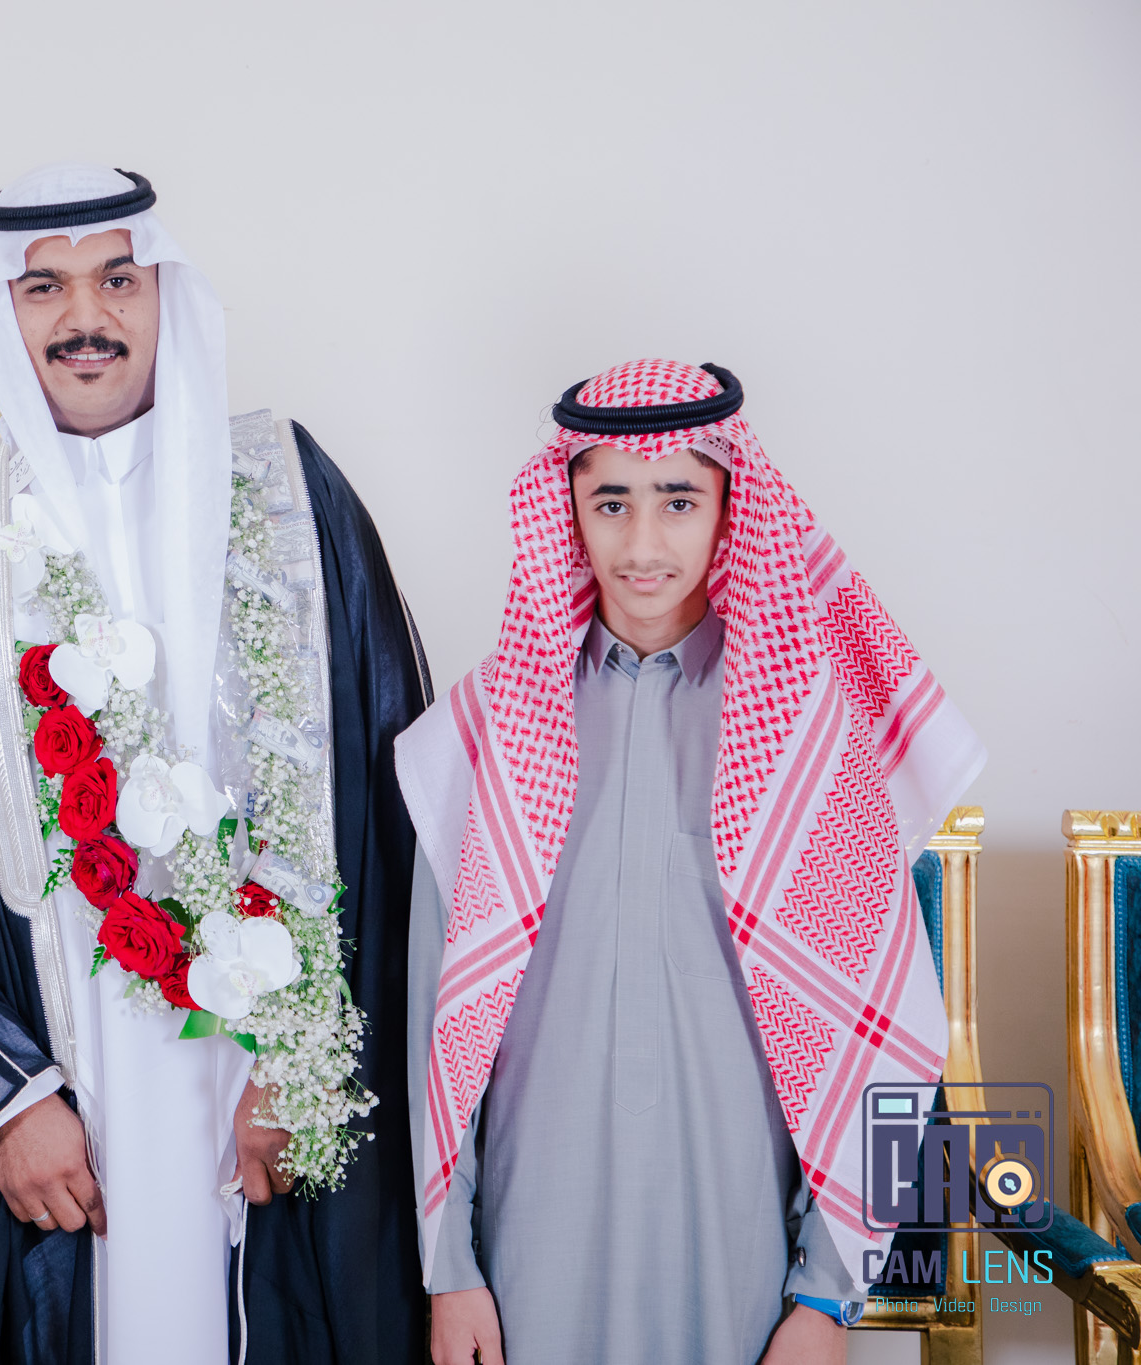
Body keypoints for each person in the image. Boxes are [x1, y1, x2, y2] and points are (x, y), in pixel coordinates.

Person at [0, 165, 429, 1364]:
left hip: (262, 1087)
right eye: (42, 287)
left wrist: (302, 1066)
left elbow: (390, 804)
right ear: (4, 311)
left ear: (164, 295)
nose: (82, 317)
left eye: (115, 280)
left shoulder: (291, 497)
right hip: (59, 1087)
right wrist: (0, 1102)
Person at [396, 359, 985, 1363]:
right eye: (610, 503)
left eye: (678, 501)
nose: (641, 544)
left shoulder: (807, 736)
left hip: (738, 1251)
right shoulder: (481, 731)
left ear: (729, 510)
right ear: (567, 512)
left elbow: (885, 1032)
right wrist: (449, 1269)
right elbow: (432, 1025)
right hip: (532, 1248)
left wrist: (827, 1299)